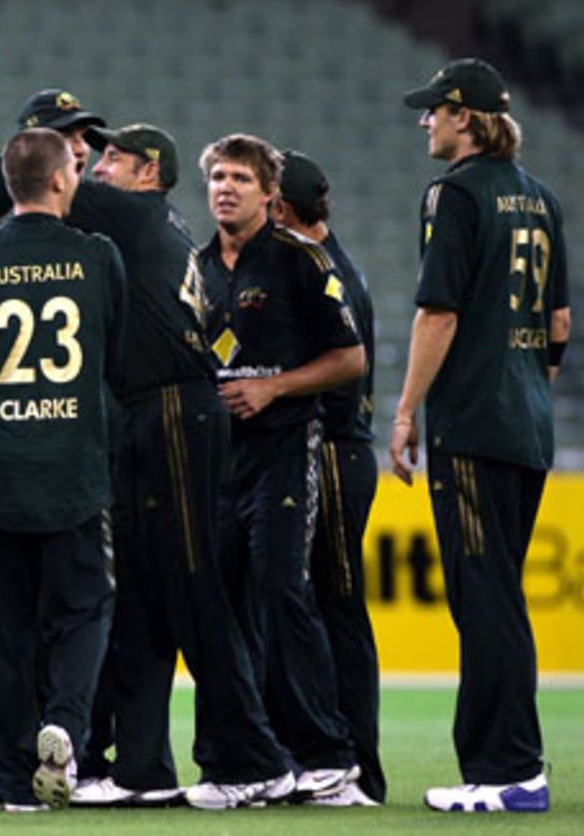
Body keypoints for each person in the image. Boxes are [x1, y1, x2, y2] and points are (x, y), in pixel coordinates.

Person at [0, 101, 295, 810]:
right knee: (143, 600)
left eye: (113, 157)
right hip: (149, 418)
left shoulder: (126, 217)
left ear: (149, 173)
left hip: (170, 415)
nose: (96, 162)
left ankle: (251, 757)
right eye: (89, 157)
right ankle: (140, 765)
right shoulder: (122, 236)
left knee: (189, 590)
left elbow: (12, 180)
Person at [0, 128, 126, 812]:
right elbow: (115, 366)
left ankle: (13, 780)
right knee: (85, 609)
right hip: (73, 467)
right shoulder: (98, 257)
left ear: (8, 185)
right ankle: (65, 725)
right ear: (64, 179)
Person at [392, 58, 569, 814]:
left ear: (467, 118)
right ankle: (504, 766)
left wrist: (404, 414)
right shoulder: (541, 199)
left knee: (485, 596)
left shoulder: (455, 193)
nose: (425, 120)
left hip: (472, 423)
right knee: (498, 592)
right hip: (527, 421)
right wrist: (523, 389)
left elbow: (439, 313)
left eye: (436, 109)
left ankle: (508, 771)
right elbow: (556, 326)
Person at [198, 133, 364, 801]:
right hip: (220, 462)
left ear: (271, 193)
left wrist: (274, 387)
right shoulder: (197, 265)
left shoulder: (300, 260)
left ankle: (328, 756)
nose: (225, 188)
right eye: (217, 177)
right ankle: (247, 761)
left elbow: (349, 359)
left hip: (284, 451)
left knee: (279, 589)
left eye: (239, 178)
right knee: (224, 606)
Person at [272, 150, 384, 806]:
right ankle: (325, 757)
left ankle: (358, 767)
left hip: (332, 455)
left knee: (338, 610)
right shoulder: (333, 262)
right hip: (338, 453)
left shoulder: (320, 272)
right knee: (321, 609)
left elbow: (342, 376)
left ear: (279, 208)